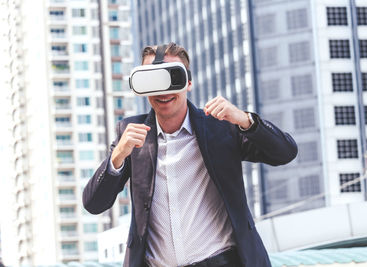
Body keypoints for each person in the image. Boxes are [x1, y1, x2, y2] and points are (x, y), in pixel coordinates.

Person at [82, 42, 297, 267]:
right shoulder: (131, 134)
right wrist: (117, 156)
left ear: (189, 82)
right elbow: (94, 204)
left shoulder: (220, 126)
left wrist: (244, 119)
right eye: (152, 80)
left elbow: (285, 152)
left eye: (172, 79)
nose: (163, 91)